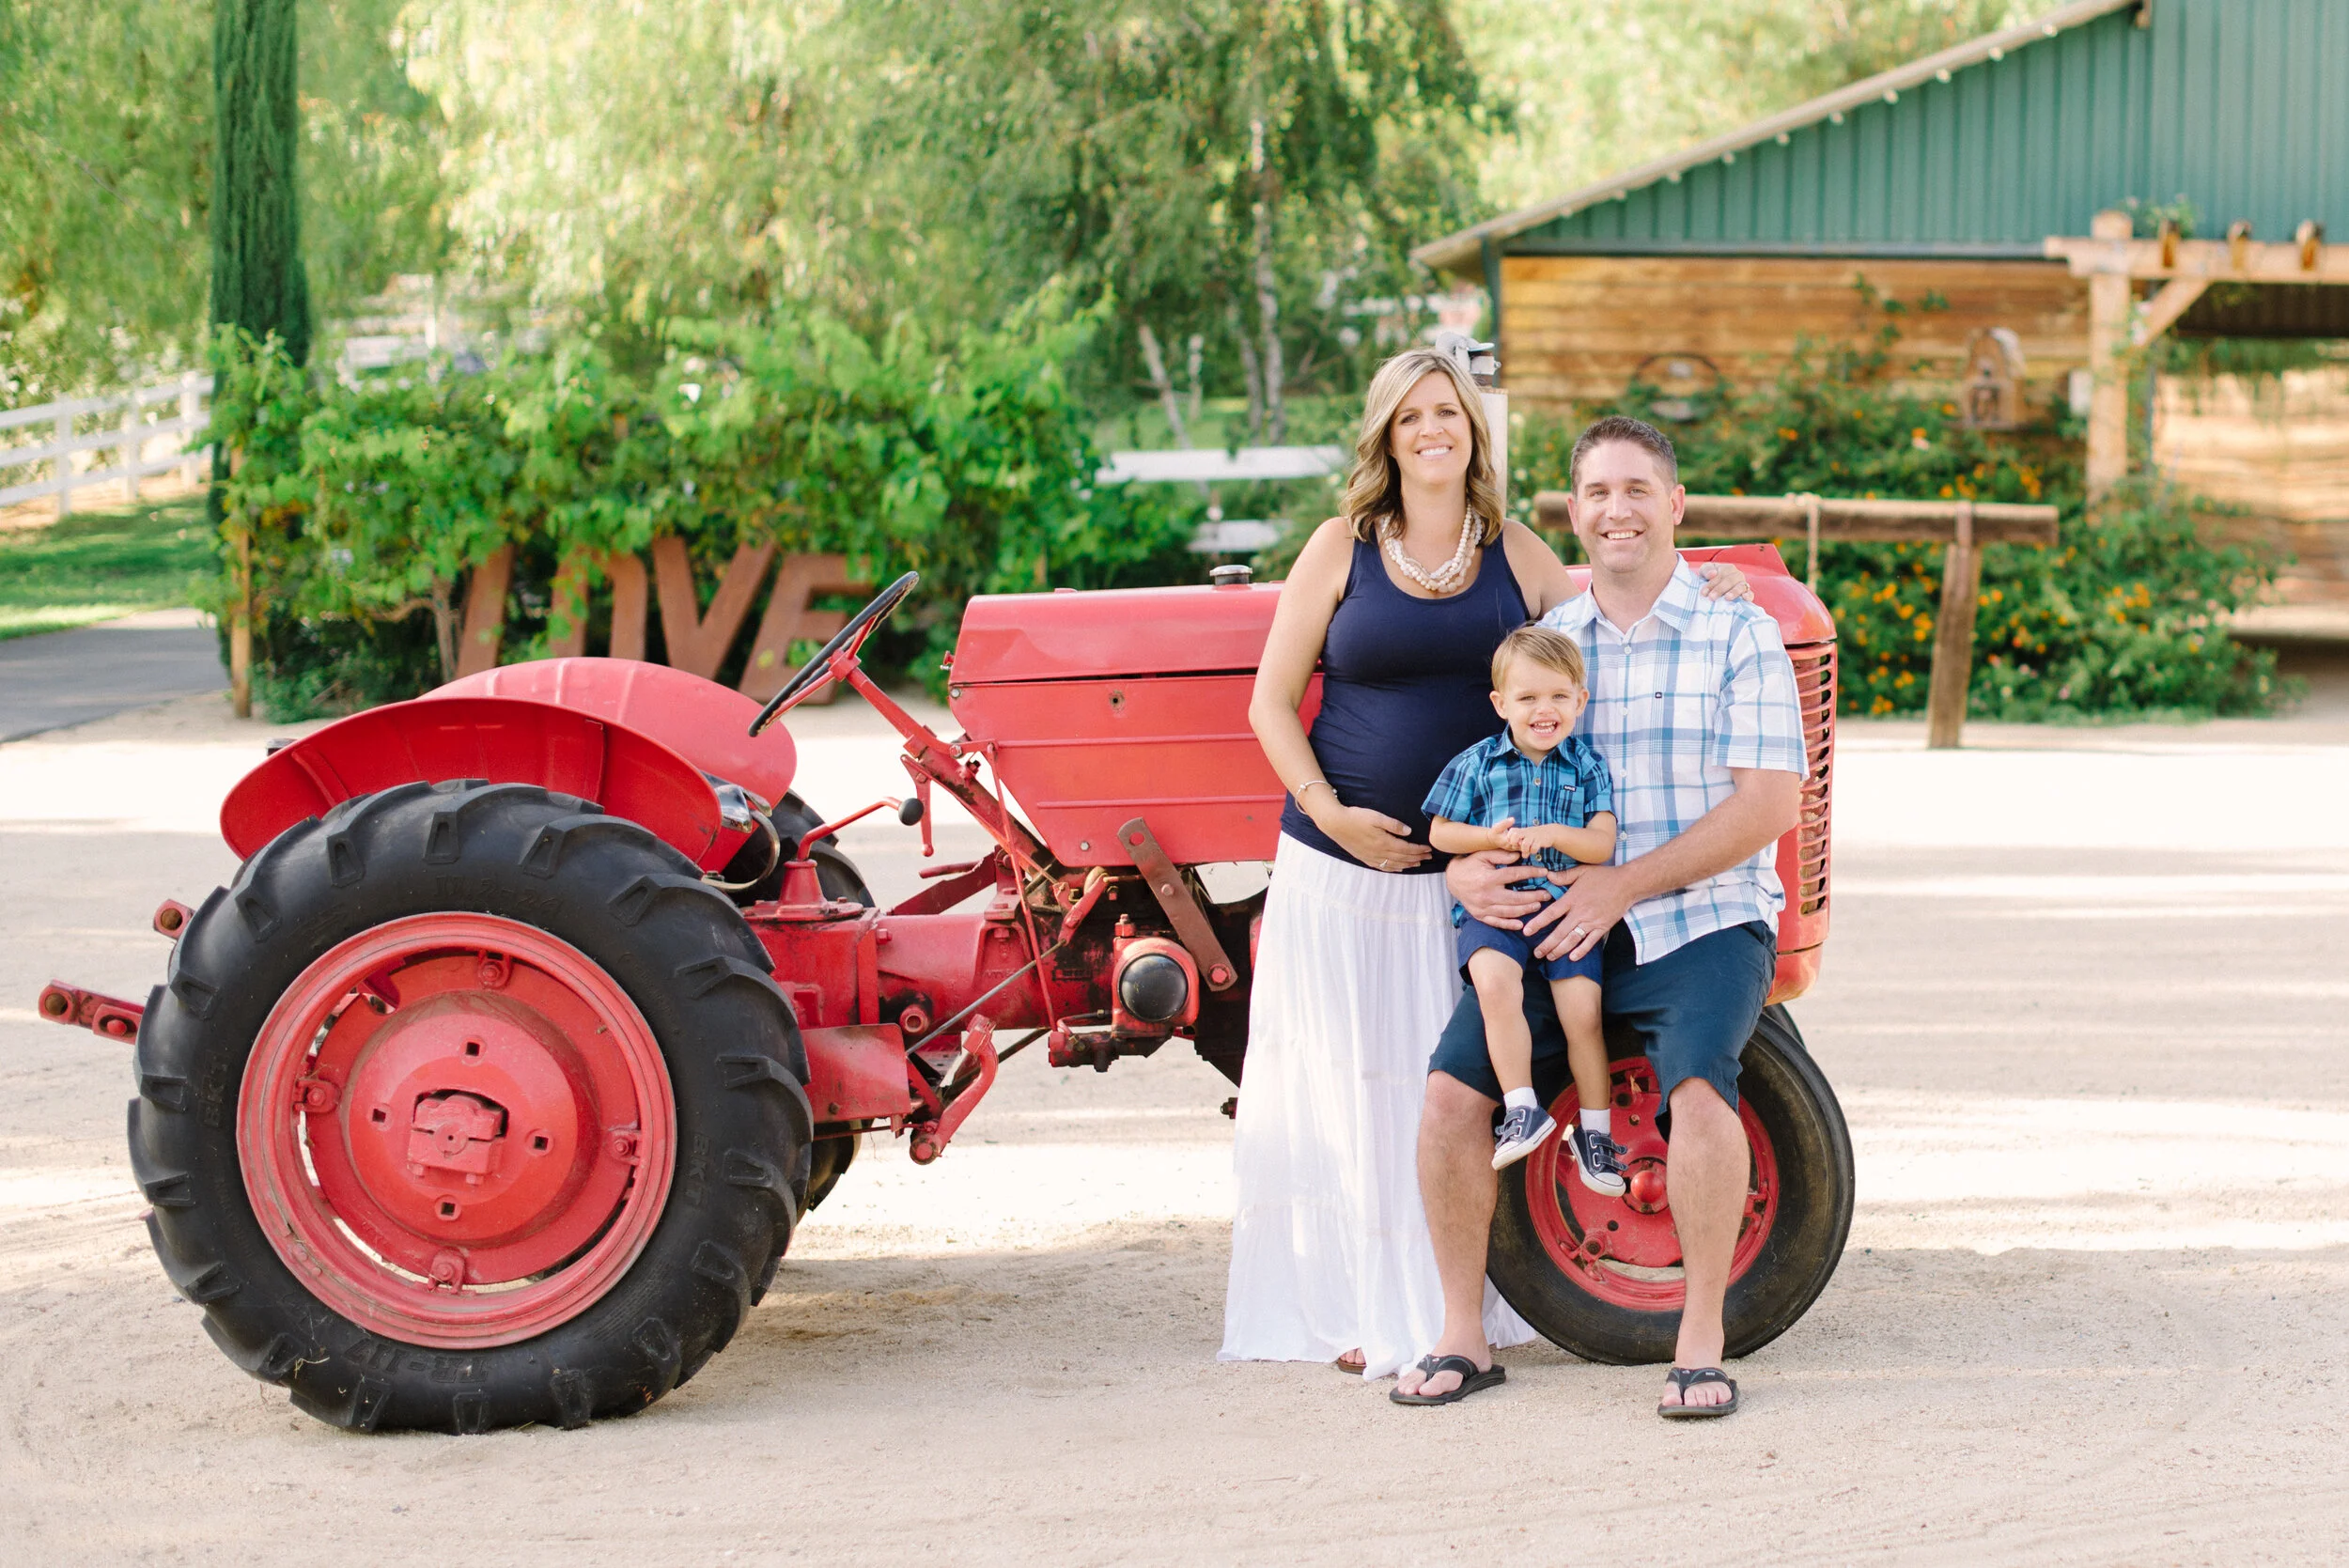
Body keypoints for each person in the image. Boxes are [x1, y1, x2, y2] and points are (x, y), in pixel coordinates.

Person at [1222, 354, 1751, 1383]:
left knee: (1438, 1086)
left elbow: (1614, 598)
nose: (1433, 430)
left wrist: (1712, 575)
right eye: (1412, 416)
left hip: (1471, 880)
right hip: (1340, 867)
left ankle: (1448, 1302)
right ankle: (1350, 1304)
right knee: (1346, 1087)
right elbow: (1268, 702)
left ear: (1473, 430)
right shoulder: (1340, 548)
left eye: (1450, 413)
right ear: (1384, 436)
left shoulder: (1512, 550)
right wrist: (1336, 813)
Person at [1392, 415, 1807, 1418]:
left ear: (1674, 507)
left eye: (1635, 490)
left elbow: (1766, 806)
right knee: (1452, 1097)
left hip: (1701, 914)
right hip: (1551, 919)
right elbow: (1486, 791)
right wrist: (1466, 879)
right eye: (1595, 493)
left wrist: (1622, 884)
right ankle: (1462, 1334)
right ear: (1573, 514)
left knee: (1701, 1094)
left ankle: (1699, 1333)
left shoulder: (1734, 629)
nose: (1614, 509)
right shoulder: (1551, 643)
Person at [1423, 625, 1623, 1184]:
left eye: (1560, 696)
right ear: (1501, 703)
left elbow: (1602, 844)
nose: (1545, 709)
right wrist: (1491, 839)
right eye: (1529, 697)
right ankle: (1521, 1108)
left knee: (1582, 1013)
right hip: (1497, 911)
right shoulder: (1477, 764)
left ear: (1581, 701)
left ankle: (1596, 1133)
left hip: (1567, 913)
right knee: (1493, 986)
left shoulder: (1586, 766)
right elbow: (1441, 833)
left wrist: (1556, 833)